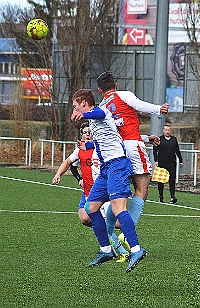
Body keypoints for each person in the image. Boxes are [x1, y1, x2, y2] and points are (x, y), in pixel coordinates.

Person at [71, 88, 147, 272]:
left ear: (83, 102)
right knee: (91, 208)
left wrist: (84, 114)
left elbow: (98, 112)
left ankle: (136, 249)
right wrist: (89, 144)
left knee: (117, 208)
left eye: (75, 106)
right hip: (106, 169)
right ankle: (106, 250)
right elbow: (104, 140)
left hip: (118, 166)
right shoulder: (94, 122)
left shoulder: (101, 111)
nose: (74, 110)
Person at [96, 71, 168, 224]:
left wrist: (147, 138)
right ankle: (128, 229)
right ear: (116, 85)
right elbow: (139, 105)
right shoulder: (123, 95)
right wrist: (158, 109)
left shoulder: (101, 107)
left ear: (100, 91)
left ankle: (111, 232)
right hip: (133, 146)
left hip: (116, 151)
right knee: (141, 189)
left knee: (118, 194)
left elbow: (117, 131)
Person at [51, 122, 130, 262]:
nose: (87, 135)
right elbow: (68, 163)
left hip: (102, 192)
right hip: (88, 192)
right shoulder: (79, 150)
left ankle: (123, 243)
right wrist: (58, 175)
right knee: (85, 218)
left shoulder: (101, 149)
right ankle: (111, 244)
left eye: (89, 132)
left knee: (114, 224)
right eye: (84, 132)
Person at [153, 124, 184, 203]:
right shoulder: (159, 139)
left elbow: (177, 150)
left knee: (172, 180)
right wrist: (156, 160)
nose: (167, 131)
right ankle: (161, 197)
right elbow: (155, 150)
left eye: (168, 130)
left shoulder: (174, 139)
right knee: (161, 181)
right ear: (163, 130)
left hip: (172, 163)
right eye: (166, 130)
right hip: (162, 163)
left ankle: (172, 197)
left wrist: (181, 160)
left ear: (170, 131)